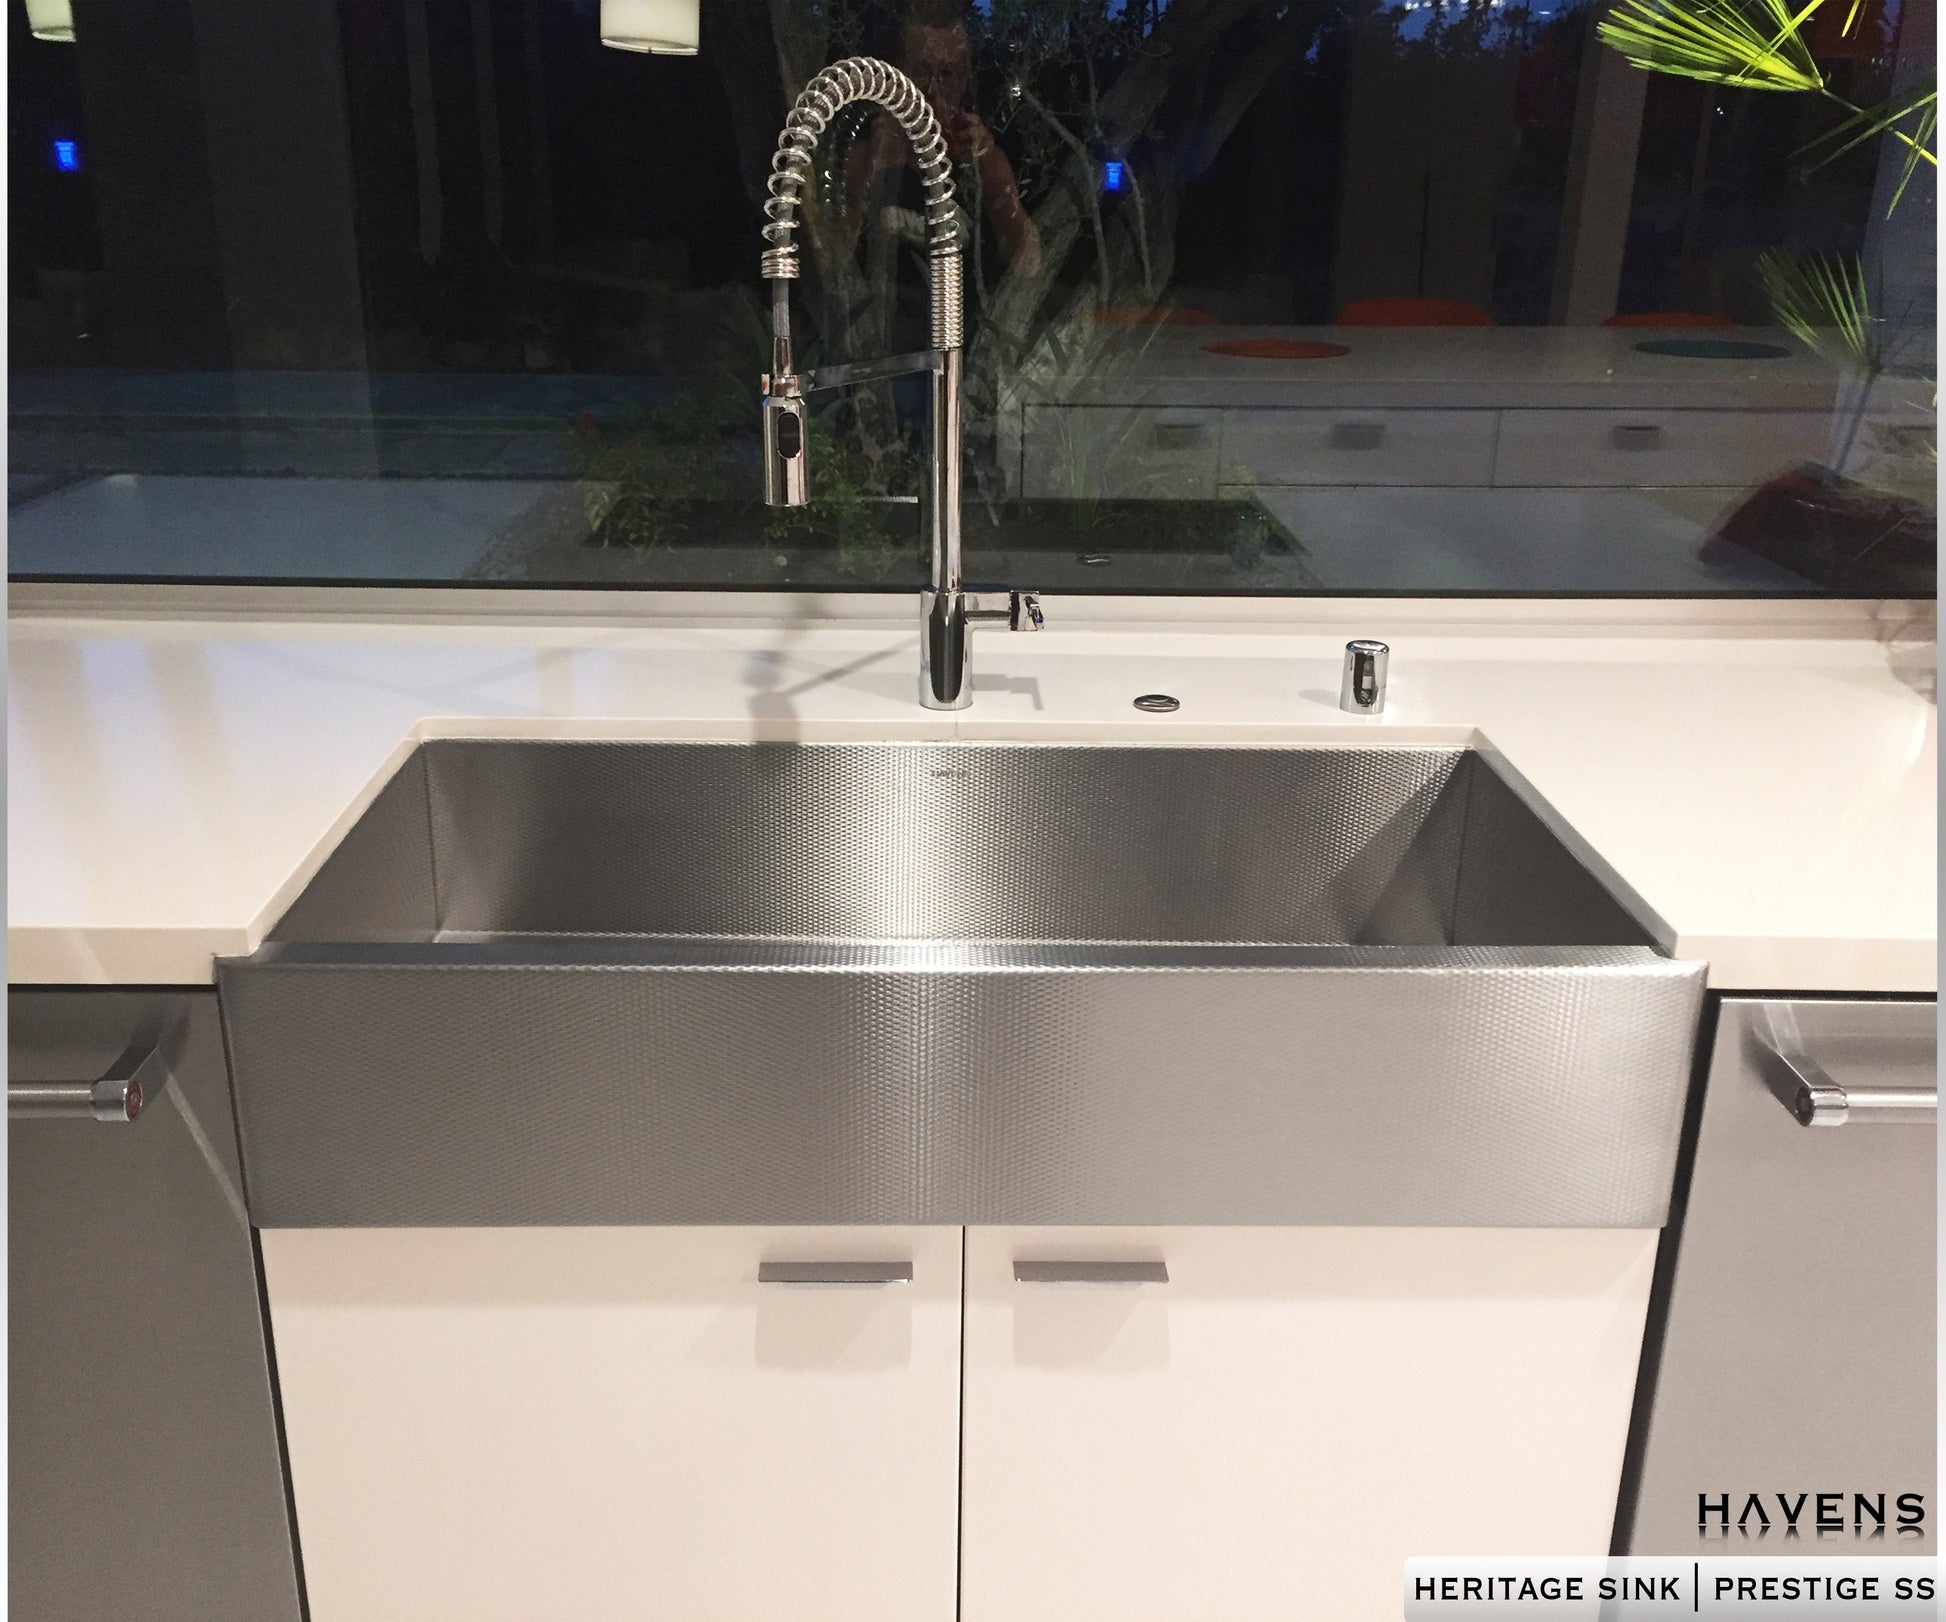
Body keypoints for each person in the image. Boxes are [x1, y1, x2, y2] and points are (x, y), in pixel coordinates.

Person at [843, 2, 1042, 282]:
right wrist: (872, 171)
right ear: (898, 75)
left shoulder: (980, 159)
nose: (933, 89)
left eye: (947, 74)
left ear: (962, 84)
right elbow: (831, 262)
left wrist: (992, 178)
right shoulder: (863, 153)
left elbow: (1030, 265)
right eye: (922, 72)